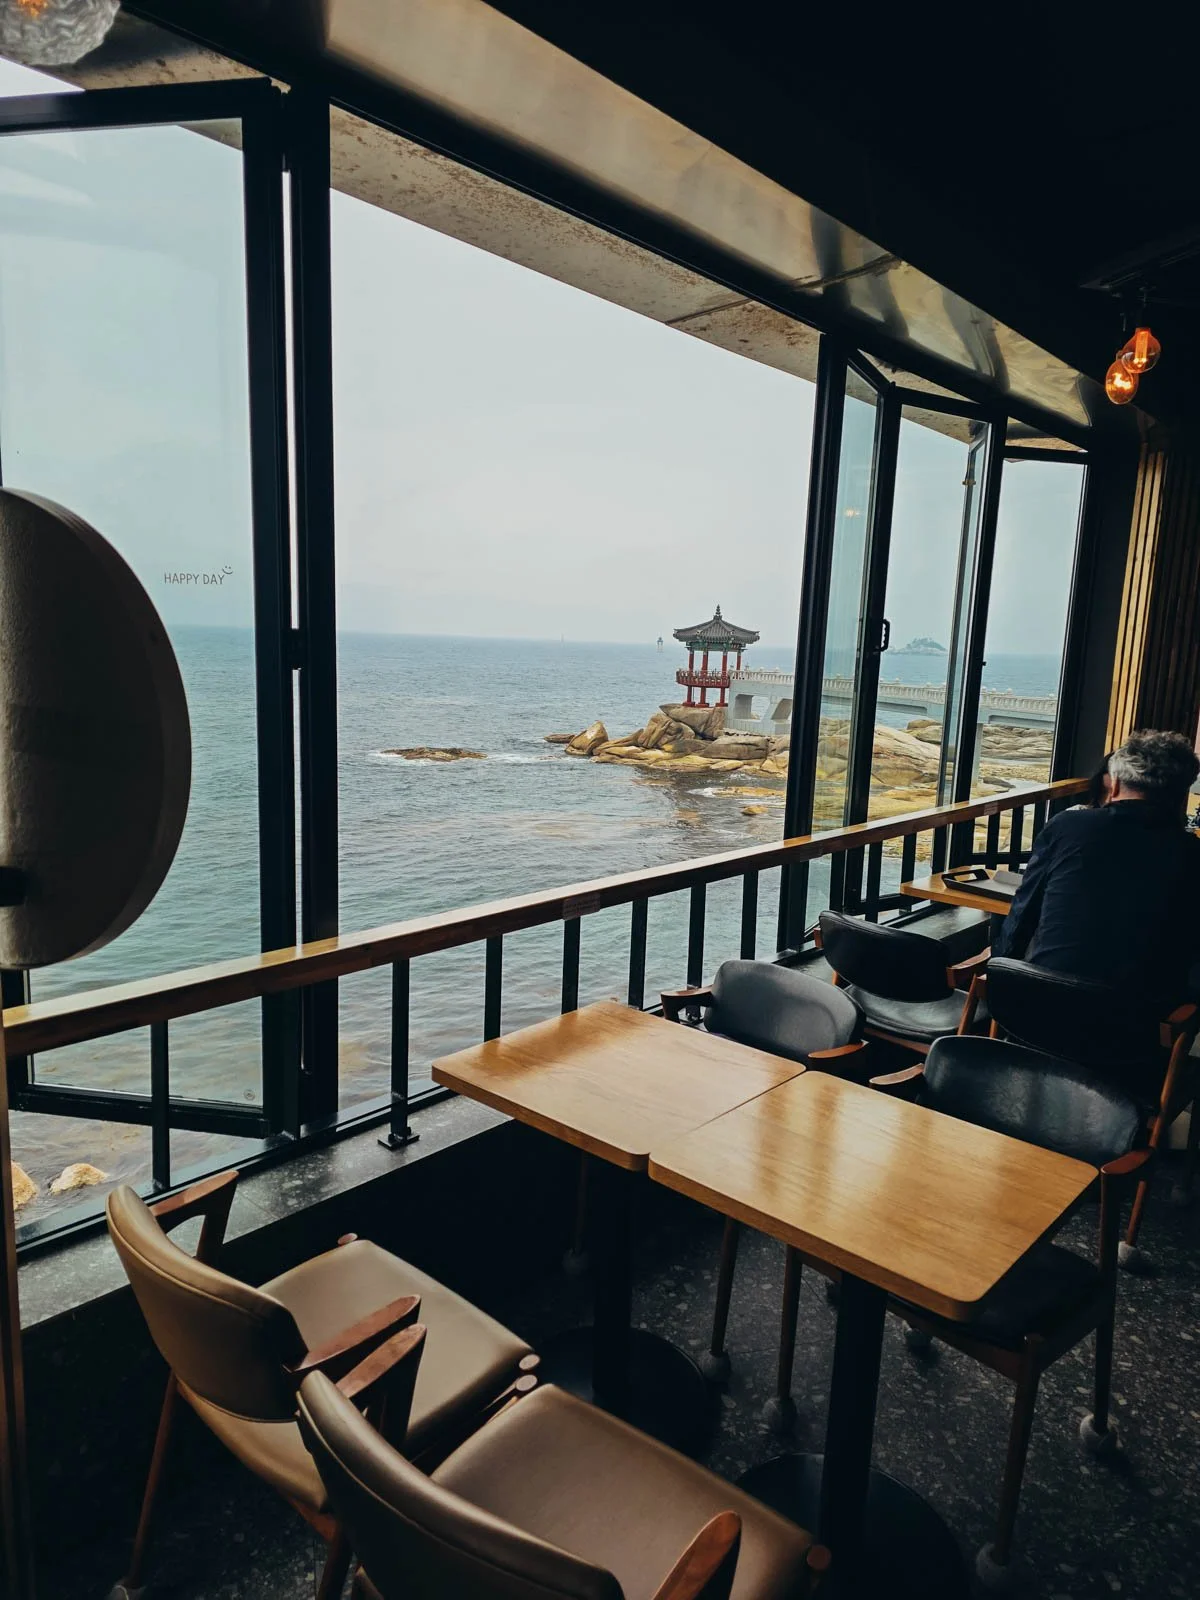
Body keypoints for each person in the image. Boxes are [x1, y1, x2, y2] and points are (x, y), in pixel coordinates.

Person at [992, 729, 1200, 1003]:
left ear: (1113, 785)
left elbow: (1025, 908)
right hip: (1132, 1020)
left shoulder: (1069, 826)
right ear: (1180, 792)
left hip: (1038, 1002)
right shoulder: (1191, 853)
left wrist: (999, 967)